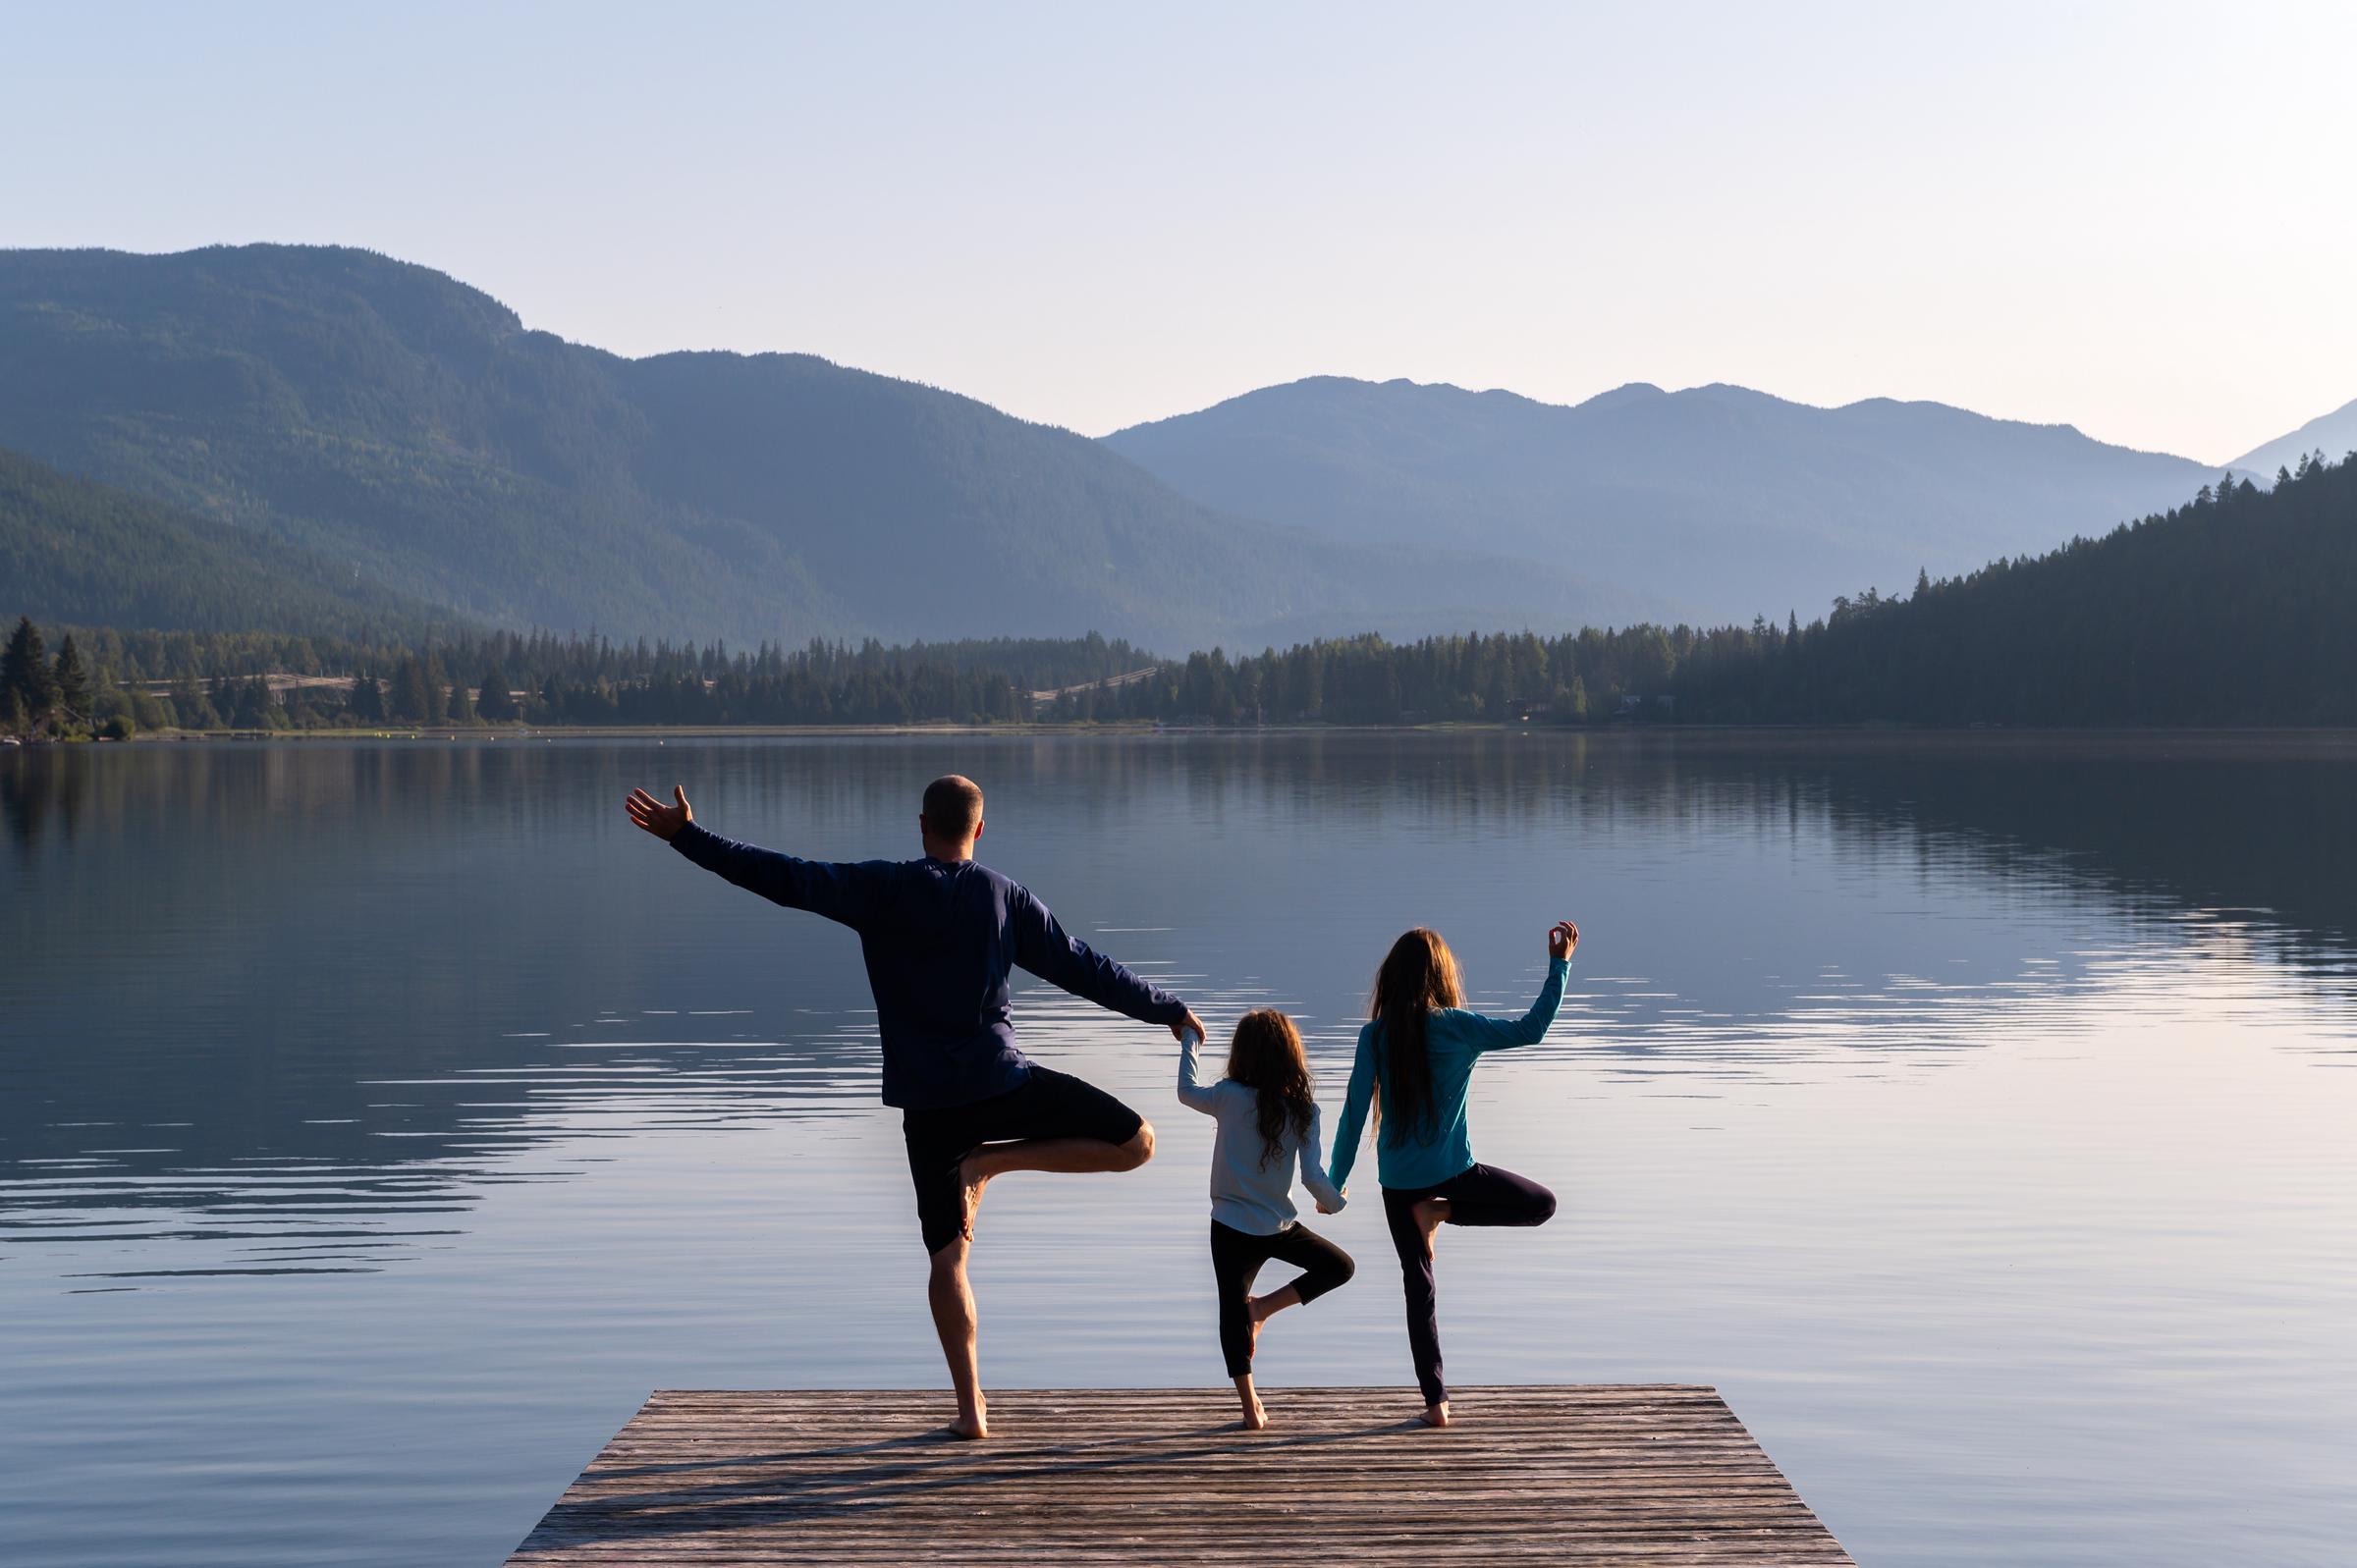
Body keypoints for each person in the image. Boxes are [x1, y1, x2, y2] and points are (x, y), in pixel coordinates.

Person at [625, 774, 1205, 1440]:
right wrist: (1163, 1006)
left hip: (929, 1107)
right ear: (979, 831)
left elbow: (782, 877)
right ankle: (991, 1164)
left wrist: (688, 837)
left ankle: (972, 1409)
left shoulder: (882, 888)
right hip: (1002, 1082)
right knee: (1137, 1141)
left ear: (920, 824)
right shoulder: (1002, 895)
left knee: (946, 1260)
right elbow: (1082, 964)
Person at [1328, 920, 1578, 1427]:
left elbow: (1354, 1112)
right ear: (1441, 975)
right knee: (1541, 1205)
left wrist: (1335, 1182)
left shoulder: (1375, 1035)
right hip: (1455, 1174)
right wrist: (1560, 965)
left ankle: (1436, 1405)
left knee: (1418, 1287)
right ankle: (1442, 1210)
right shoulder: (1459, 1027)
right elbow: (1532, 1031)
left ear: (1390, 980)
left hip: (1397, 1182)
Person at [1177, 1008, 1353, 1430]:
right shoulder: (1303, 1110)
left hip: (1233, 1226)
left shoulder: (1227, 1096)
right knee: (1339, 1267)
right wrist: (1335, 1203)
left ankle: (1250, 1401)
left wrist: (1190, 1040)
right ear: (1291, 1056)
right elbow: (1313, 1177)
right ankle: (1261, 1315)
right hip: (1278, 1226)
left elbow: (1186, 1091)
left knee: (1231, 1309)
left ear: (1242, 1054)